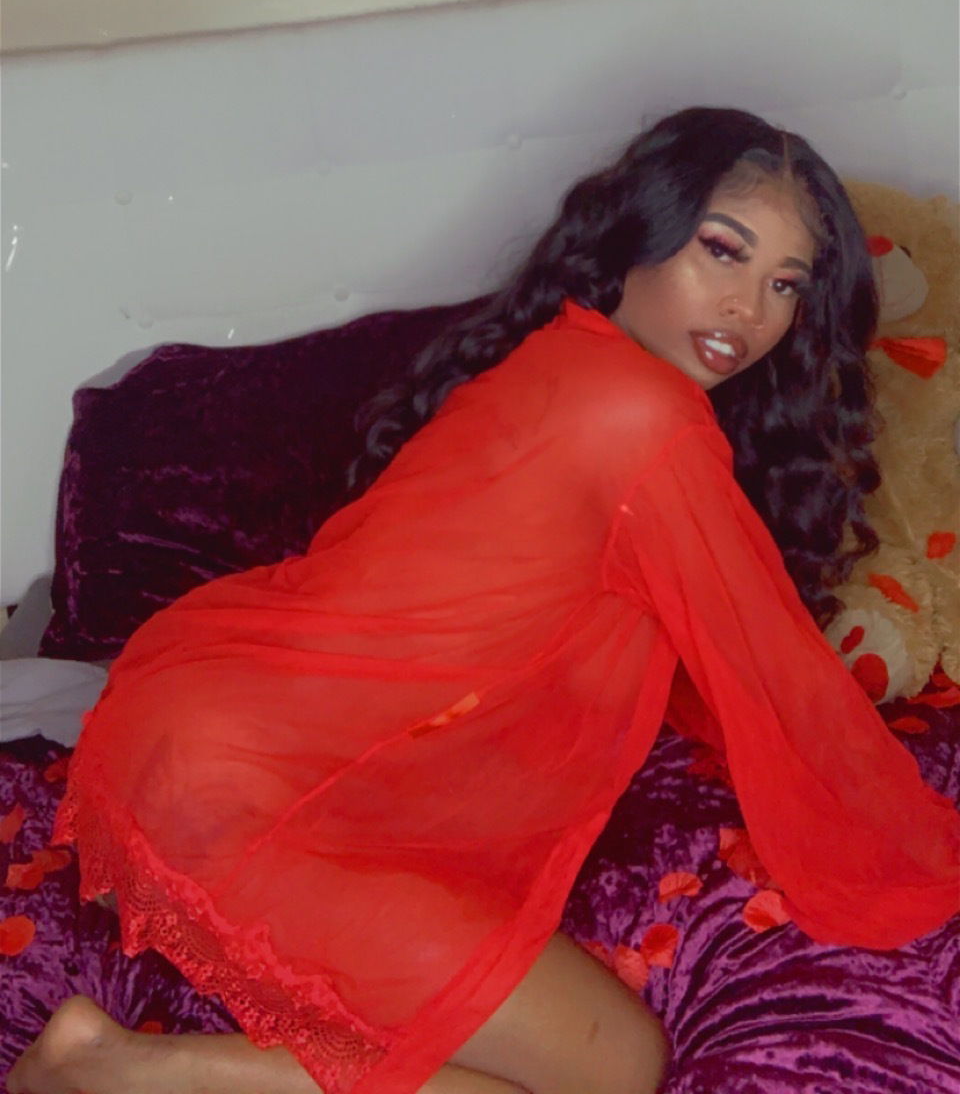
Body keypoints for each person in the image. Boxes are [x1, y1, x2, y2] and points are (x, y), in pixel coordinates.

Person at [9, 107, 959, 1094]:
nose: (746, 309)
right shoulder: (645, 418)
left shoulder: (561, 351)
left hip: (195, 730)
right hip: (253, 790)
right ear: (643, 231)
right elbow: (776, 677)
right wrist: (924, 848)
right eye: (722, 251)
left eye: (784, 284)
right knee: (615, 1068)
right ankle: (110, 1068)